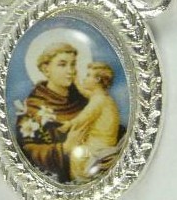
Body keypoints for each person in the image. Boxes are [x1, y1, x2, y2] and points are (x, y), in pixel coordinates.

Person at [15, 43, 88, 183]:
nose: (70, 71)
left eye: (73, 64)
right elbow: (26, 150)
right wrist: (64, 148)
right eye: (62, 65)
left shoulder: (82, 101)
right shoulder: (33, 108)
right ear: (46, 69)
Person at [62, 62, 122, 181]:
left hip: (99, 147)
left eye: (88, 75)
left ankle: (80, 182)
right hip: (105, 142)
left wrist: (67, 125)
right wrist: (76, 81)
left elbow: (83, 118)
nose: (85, 78)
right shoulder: (102, 96)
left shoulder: (98, 101)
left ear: (97, 80)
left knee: (74, 156)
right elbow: (85, 92)